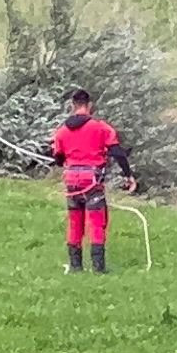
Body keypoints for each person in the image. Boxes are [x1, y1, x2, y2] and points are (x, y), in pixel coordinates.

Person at [50, 88, 134, 272]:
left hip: (72, 182)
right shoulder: (100, 127)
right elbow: (117, 152)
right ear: (89, 105)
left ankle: (75, 266)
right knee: (97, 223)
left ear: (73, 105)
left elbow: (57, 158)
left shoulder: (62, 131)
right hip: (92, 182)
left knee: (75, 223)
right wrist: (128, 176)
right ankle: (98, 268)